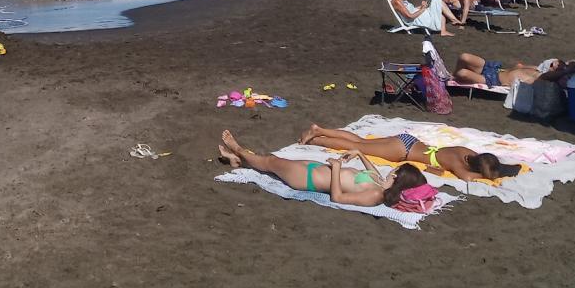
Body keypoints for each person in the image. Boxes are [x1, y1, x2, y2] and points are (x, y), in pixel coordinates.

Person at [216, 130, 429, 208]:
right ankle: (237, 161)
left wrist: (336, 168)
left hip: (307, 178)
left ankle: (238, 149)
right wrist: (360, 155)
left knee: (269, 163)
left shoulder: (375, 194)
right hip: (315, 169)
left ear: (399, 179)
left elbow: (337, 197)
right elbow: (372, 171)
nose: (392, 171)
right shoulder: (380, 183)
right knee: (272, 159)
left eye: (396, 171)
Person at [296, 125, 523, 183]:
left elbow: (480, 163)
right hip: (401, 151)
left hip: (408, 141)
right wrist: (487, 176)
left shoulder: (465, 153)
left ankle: (320, 130)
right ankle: (317, 138)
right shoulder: (460, 167)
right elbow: (467, 178)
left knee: (361, 142)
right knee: (358, 147)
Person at [453, 53, 575, 88]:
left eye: (556, 65)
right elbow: (574, 61)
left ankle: (455, 78)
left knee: (462, 73)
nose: (554, 63)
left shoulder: (540, 78)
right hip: (495, 68)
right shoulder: (536, 68)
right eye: (555, 62)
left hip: (493, 80)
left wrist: (566, 70)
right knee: (464, 57)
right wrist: (566, 64)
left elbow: (571, 66)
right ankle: (454, 77)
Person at [390, 0, 461, 36]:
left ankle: (444, 30)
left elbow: (412, 9)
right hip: (415, 19)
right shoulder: (397, 1)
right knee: (436, 0)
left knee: (436, 2)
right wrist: (422, 9)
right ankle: (454, 20)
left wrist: (421, 6)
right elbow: (410, 16)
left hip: (417, 14)